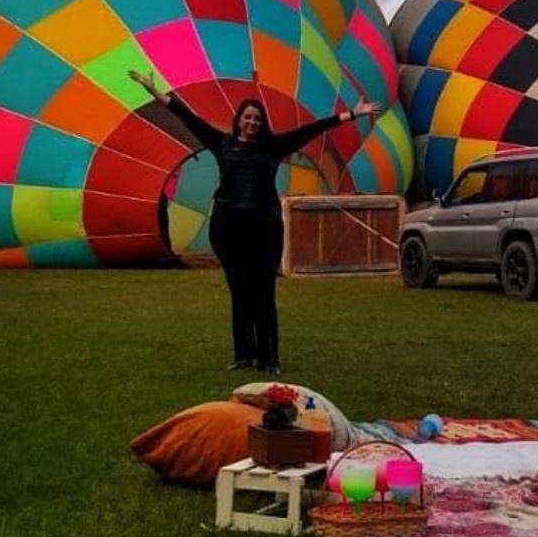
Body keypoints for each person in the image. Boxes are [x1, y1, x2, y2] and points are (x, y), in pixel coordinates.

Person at [128, 70, 382, 376]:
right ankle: (243, 355)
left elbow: (312, 129)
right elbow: (187, 116)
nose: (252, 123)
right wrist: (154, 91)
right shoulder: (221, 143)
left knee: (264, 292)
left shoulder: (272, 147)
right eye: (248, 118)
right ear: (238, 120)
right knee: (239, 292)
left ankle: (269, 358)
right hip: (228, 227)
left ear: (262, 124)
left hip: (264, 228)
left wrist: (353, 114)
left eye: (257, 120)